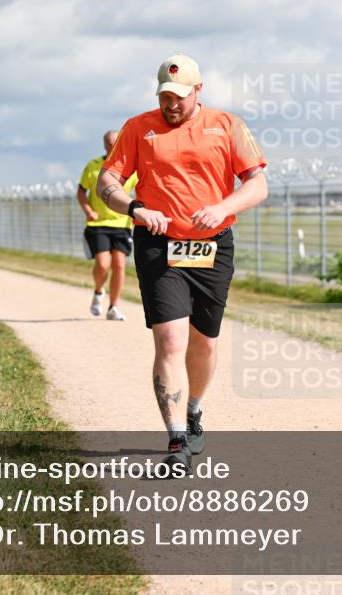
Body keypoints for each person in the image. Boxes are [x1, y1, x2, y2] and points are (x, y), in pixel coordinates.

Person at [97, 54, 268, 471]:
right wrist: (135, 208)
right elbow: (107, 183)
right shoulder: (139, 128)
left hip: (212, 245)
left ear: (198, 90)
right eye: (165, 97)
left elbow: (258, 184)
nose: (171, 104)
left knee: (203, 341)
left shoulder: (227, 126)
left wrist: (224, 206)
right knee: (170, 340)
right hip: (159, 245)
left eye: (179, 96)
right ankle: (176, 439)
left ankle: (193, 410)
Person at [77, 130, 139, 321]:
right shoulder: (94, 166)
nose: (112, 145)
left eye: (115, 142)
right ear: (105, 144)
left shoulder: (131, 167)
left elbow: (142, 190)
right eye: (109, 142)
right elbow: (81, 192)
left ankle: (113, 307)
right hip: (99, 223)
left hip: (123, 223)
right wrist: (88, 210)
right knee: (103, 264)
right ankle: (98, 291)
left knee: (119, 265)